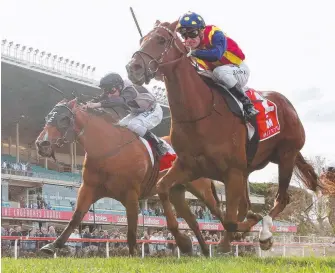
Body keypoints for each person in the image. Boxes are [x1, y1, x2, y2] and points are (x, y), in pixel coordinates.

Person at [176, 11, 259, 120]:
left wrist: (194, 53)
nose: (189, 40)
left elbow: (216, 55)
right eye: (184, 36)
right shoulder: (189, 47)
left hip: (239, 70)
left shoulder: (214, 33)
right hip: (218, 75)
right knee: (198, 76)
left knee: (220, 71)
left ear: (201, 31)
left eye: (192, 33)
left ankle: (247, 104)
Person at [83, 72, 168, 156]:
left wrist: (97, 105)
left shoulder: (130, 89)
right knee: (120, 125)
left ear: (119, 87)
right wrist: (88, 104)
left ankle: (159, 144)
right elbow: (101, 98)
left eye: (111, 91)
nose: (109, 95)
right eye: (107, 91)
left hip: (153, 110)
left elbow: (119, 101)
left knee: (134, 125)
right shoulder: (116, 88)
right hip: (137, 112)